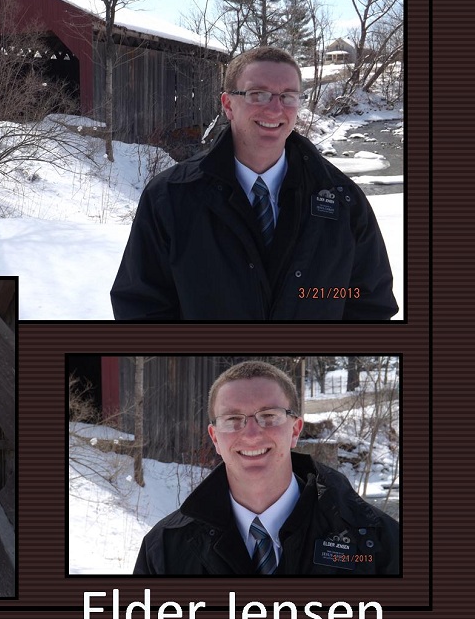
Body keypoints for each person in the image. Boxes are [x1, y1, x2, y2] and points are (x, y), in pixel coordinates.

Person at [111, 46, 398, 320]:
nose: (275, 109)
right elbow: (141, 306)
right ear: (228, 105)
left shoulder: (343, 200)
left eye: (287, 96)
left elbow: (369, 305)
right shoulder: (170, 197)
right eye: (257, 94)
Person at [133, 360, 399, 575]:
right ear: (215, 438)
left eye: (269, 416)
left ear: (295, 430)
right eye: (233, 418)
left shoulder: (379, 540)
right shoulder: (164, 549)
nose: (251, 434)